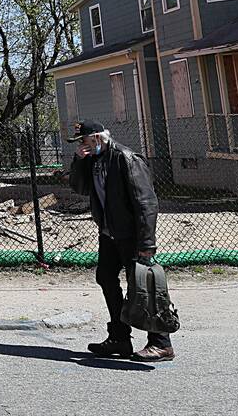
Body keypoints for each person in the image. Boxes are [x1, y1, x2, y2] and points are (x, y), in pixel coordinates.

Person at [68, 120, 174, 362]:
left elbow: (147, 202)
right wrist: (79, 161)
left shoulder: (126, 158)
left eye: (83, 141)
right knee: (105, 277)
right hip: (109, 232)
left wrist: (147, 243)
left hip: (131, 234)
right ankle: (119, 338)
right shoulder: (93, 160)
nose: (81, 146)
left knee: (143, 285)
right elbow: (80, 188)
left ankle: (161, 343)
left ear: (96, 138)